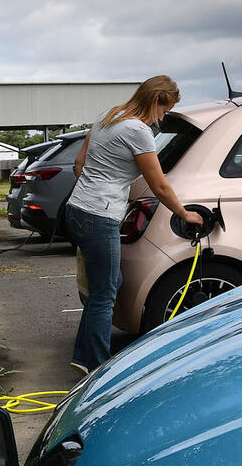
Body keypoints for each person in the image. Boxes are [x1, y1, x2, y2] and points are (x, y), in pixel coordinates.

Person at [65, 75, 203, 374]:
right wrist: (184, 214)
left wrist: (93, 189)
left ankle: (82, 354)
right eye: (164, 110)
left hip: (76, 209)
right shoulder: (139, 131)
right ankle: (97, 369)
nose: (163, 117)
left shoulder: (108, 115)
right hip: (99, 217)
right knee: (104, 294)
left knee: (109, 283)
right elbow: (160, 186)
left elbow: (79, 163)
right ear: (156, 100)